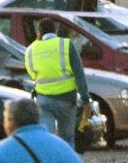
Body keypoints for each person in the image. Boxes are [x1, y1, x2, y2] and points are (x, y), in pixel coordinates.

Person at [24, 18, 90, 148]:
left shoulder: (31, 49)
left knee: (46, 137)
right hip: (66, 100)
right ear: (55, 30)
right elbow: (79, 74)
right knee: (67, 138)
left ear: (39, 32)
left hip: (44, 100)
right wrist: (85, 98)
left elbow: (33, 75)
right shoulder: (66, 45)